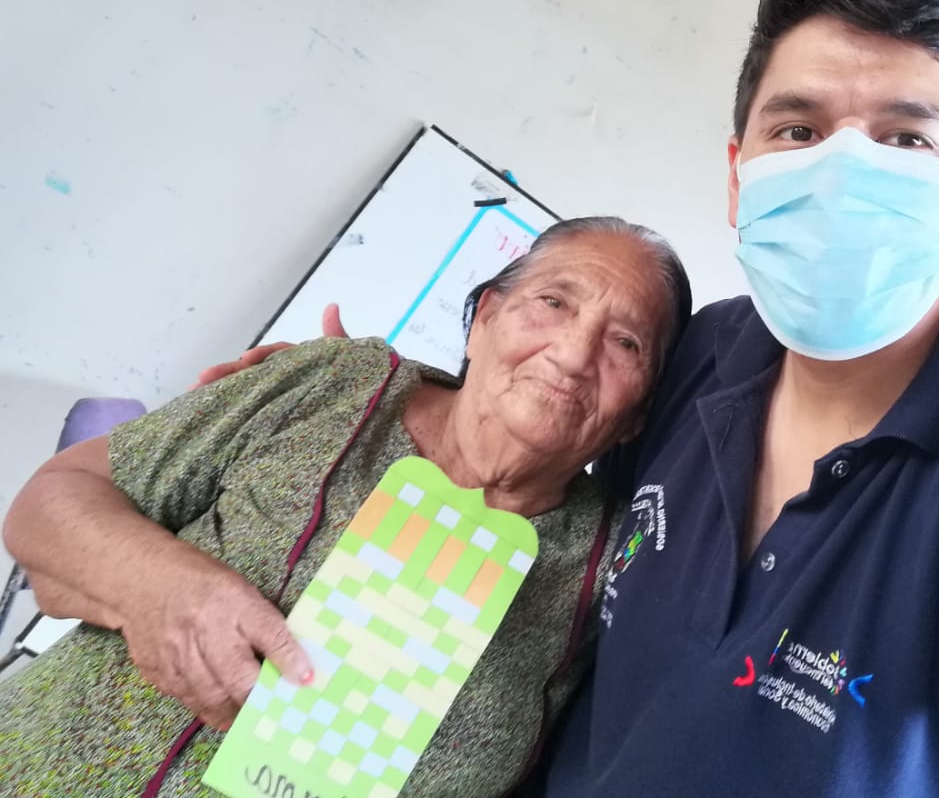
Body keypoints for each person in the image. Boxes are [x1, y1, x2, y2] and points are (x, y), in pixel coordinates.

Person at [169, 0, 939, 797]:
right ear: (740, 174)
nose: (843, 171)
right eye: (798, 128)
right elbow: (556, 409)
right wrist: (368, 390)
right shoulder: (700, 354)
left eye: (905, 140)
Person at [0, 216, 692, 798]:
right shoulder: (338, 383)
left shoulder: (619, 570)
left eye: (625, 343)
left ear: (637, 416)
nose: (573, 354)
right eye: (554, 302)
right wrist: (156, 586)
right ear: (484, 318)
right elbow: (50, 501)